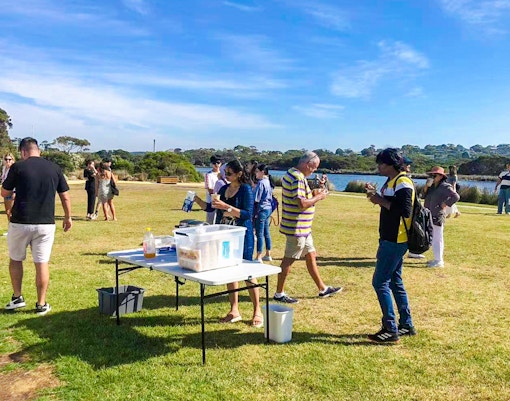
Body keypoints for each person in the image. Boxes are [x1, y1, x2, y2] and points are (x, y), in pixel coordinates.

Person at [1, 137, 72, 315]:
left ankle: (17, 297)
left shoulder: (18, 167)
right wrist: (68, 217)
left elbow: (4, 192)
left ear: (23, 152)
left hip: (20, 221)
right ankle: (41, 303)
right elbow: (65, 196)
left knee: (16, 259)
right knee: (42, 263)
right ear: (38, 150)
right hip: (46, 223)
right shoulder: (54, 168)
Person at [194, 160, 263, 328]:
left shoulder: (246, 189)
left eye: (230, 173)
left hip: (242, 235)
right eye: (225, 173)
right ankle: (234, 311)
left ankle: (257, 311)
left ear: (239, 173)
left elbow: (247, 214)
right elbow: (211, 208)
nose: (226, 176)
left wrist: (227, 207)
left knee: (247, 273)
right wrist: (195, 200)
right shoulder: (224, 189)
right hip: (225, 235)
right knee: (229, 269)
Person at [274, 151, 342, 304]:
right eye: (313, 168)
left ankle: (322, 288)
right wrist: (319, 197)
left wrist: (312, 193)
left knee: (311, 254)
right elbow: (301, 203)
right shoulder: (298, 178)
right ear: (307, 164)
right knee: (288, 260)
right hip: (297, 228)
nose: (314, 171)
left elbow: (301, 197)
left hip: (303, 228)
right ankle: (279, 293)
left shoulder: (291, 173)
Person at [365, 148, 415, 343]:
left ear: (391, 164)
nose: (379, 167)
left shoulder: (403, 181)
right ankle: (406, 324)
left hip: (395, 239)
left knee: (380, 282)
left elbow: (405, 210)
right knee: (395, 281)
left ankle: (390, 328)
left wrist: (380, 201)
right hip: (391, 237)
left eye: (381, 164)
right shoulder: (393, 181)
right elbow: (391, 203)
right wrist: (376, 196)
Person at [423, 166, 460, 268]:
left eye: (434, 175)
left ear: (440, 176)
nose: (432, 177)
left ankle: (439, 261)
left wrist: (445, 204)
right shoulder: (432, 187)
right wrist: (426, 186)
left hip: (437, 215)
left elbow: (456, 196)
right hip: (429, 213)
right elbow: (423, 195)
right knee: (434, 237)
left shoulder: (445, 186)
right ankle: (436, 259)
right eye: (431, 175)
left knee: (438, 238)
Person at [402, 156, 425, 260]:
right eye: (406, 164)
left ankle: (414, 251)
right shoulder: (402, 180)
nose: (409, 166)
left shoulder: (405, 179)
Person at [253, 163, 273, 262]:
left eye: (257, 171)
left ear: (262, 172)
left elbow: (256, 198)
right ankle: (268, 253)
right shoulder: (268, 181)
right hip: (268, 209)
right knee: (266, 232)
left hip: (261, 209)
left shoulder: (261, 183)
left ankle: (258, 256)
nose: (255, 174)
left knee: (259, 233)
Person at [204, 155, 222, 224]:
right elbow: (210, 189)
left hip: (223, 201)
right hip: (211, 201)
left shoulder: (224, 174)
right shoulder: (209, 175)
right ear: (211, 164)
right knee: (210, 222)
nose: (216, 165)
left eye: (218, 163)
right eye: (214, 163)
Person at [1, 152, 16, 223]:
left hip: (12, 192)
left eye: (9, 159)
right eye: (6, 159)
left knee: (12, 212)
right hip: (6, 192)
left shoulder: (14, 169)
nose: (8, 161)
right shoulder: (4, 168)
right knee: (7, 212)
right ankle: (10, 228)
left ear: (13, 160)